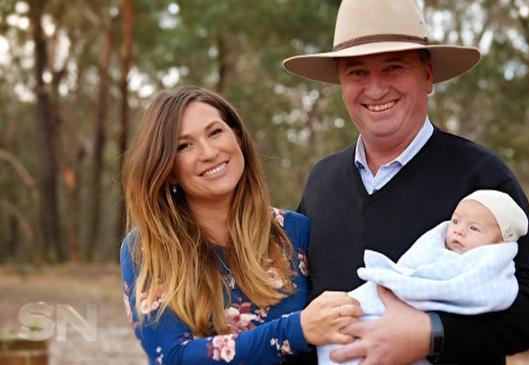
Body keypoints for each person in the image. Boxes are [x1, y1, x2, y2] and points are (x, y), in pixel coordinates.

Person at [282, 0, 529, 364]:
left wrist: (432, 334)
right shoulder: (321, 181)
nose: (375, 89)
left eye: (393, 68)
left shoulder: (482, 176)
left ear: (427, 77)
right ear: (341, 83)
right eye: (357, 72)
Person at [119, 85, 362, 365]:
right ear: (169, 170)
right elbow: (172, 356)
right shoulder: (146, 248)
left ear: (237, 137)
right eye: (184, 145)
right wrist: (296, 330)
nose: (209, 152)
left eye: (215, 132)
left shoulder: (294, 232)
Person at [318, 189, 528, 365]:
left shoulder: (485, 268)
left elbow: (522, 312)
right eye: (456, 221)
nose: (459, 231)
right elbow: (410, 270)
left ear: (499, 244)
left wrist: (429, 331)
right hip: (367, 310)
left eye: (473, 228)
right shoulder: (433, 250)